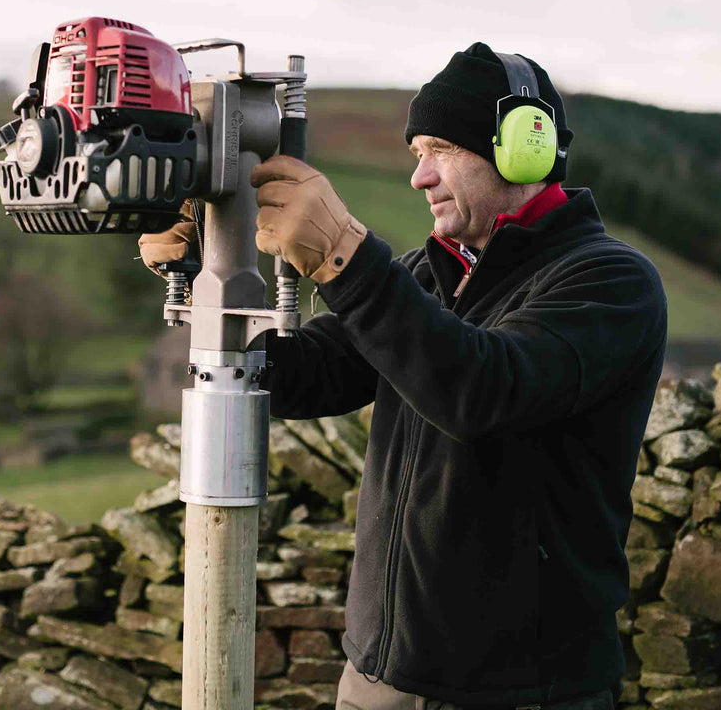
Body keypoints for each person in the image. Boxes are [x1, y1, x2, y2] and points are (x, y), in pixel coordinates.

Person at [140, 42, 667, 710]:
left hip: (521, 692)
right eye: (416, 152)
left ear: (524, 146)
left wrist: (346, 259)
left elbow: (484, 391)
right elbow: (305, 375)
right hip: (377, 679)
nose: (420, 176)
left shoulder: (609, 281)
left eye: (440, 148)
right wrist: (204, 280)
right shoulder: (428, 274)